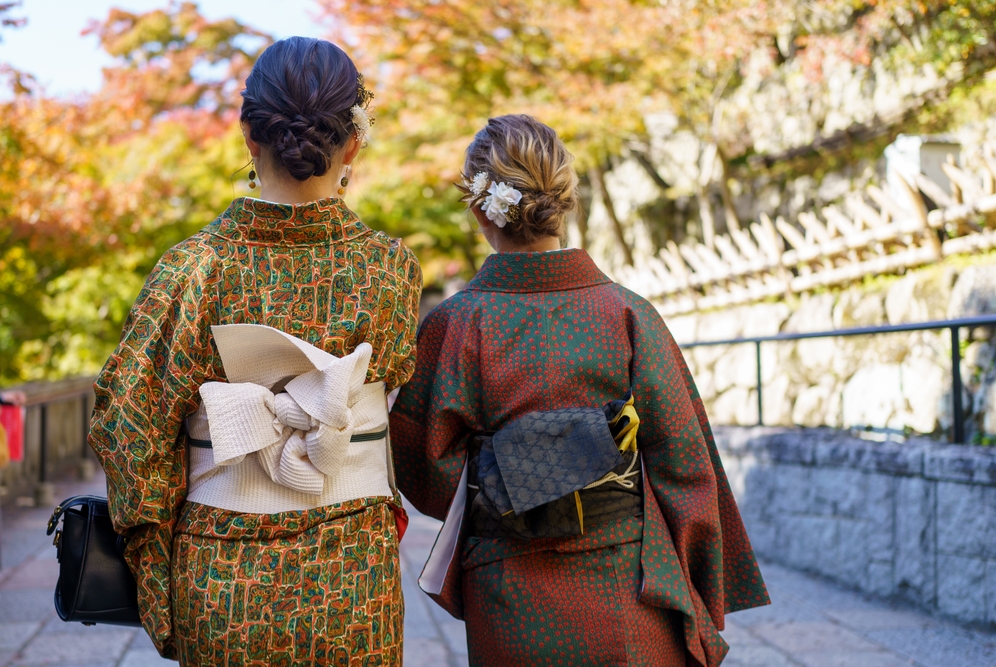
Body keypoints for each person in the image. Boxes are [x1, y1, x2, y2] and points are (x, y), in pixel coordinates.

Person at [390, 114, 769, 666]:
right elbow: (687, 468)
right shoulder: (628, 314)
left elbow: (424, 466)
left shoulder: (456, 324)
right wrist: (695, 589)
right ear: (565, 200)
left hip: (508, 589)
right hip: (627, 585)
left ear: (478, 209)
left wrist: (510, 484)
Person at [89, 37, 421, 666]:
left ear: (248, 136)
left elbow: (129, 429)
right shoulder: (388, 269)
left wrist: (160, 570)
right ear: (353, 143)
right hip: (352, 577)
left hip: (221, 574)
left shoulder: (193, 270)